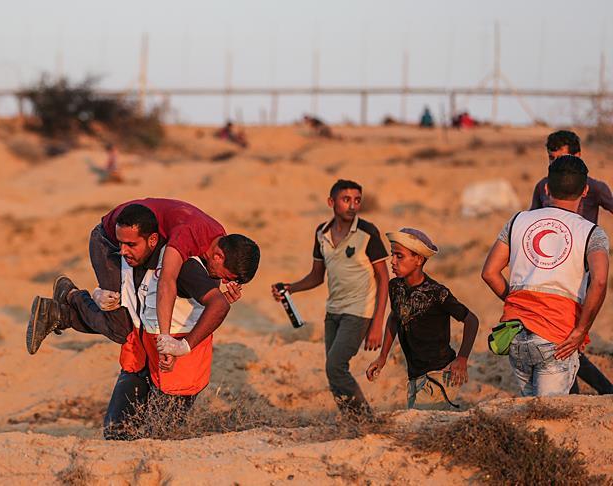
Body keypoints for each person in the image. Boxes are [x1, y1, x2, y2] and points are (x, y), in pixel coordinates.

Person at [26, 204, 248, 439]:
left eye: (130, 245)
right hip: (142, 361)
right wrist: (98, 294)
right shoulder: (135, 256)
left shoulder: (185, 263)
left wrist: (179, 345)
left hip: (175, 375)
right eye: (121, 244)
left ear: (153, 240)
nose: (122, 251)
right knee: (117, 434)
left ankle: (64, 308)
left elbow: (212, 303)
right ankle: (65, 305)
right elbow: (148, 289)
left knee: (156, 436)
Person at [78, 198, 258, 370]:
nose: (225, 282)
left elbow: (200, 294)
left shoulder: (219, 242)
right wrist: (167, 340)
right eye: (227, 277)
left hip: (143, 239)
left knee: (136, 315)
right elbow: (167, 281)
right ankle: (71, 299)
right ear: (218, 256)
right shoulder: (187, 235)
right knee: (120, 326)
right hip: (110, 238)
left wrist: (221, 298)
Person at [482, 155, 609, 397]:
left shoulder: (518, 220)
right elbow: (600, 281)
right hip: (558, 336)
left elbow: (489, 272)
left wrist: (519, 304)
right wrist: (581, 330)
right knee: (548, 413)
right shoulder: (591, 232)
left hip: (515, 333)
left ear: (547, 188)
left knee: (532, 410)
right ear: (585, 191)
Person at [271, 179, 389, 415]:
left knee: (335, 366)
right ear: (331, 202)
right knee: (333, 369)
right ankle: (352, 421)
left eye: (357, 200)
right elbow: (317, 276)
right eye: (346, 200)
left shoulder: (367, 232)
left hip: (359, 312)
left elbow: (384, 279)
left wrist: (377, 324)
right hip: (333, 312)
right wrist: (291, 288)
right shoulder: (321, 233)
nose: (352, 205)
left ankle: (365, 420)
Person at [529, 130, 613, 395]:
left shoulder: (594, 188)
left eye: (561, 157)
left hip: (581, 273)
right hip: (548, 272)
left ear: (578, 156)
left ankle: (598, 391)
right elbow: (532, 224)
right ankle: (587, 393)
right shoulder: (543, 187)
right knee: (561, 336)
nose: (556, 164)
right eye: (551, 159)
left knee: (567, 336)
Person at [365, 228, 479, 410]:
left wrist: (462, 358)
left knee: (418, 424)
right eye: (392, 255)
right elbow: (395, 317)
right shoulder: (395, 287)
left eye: (399, 256)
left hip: (439, 374)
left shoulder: (437, 293)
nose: (392, 261)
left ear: (418, 260)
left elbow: (471, 320)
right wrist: (382, 357)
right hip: (414, 375)